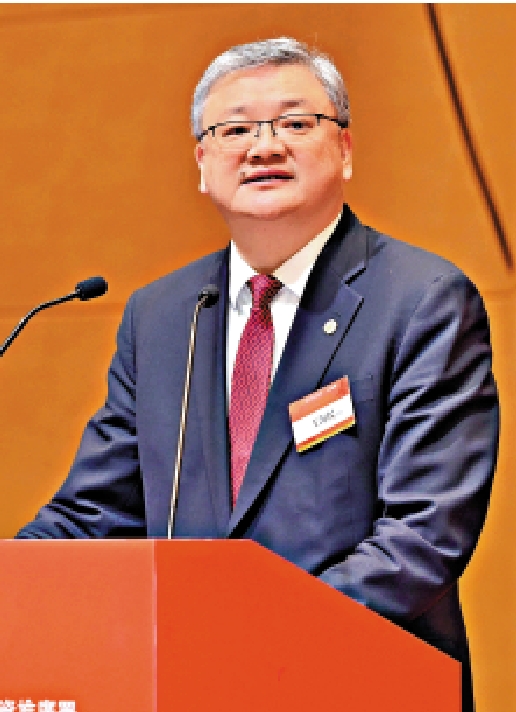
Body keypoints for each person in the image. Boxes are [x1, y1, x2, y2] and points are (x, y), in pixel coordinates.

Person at [17, 38, 498, 711]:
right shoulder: (162, 316)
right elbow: (92, 515)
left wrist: (256, 634)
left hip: (358, 684)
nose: (264, 147)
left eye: (295, 123)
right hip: (190, 688)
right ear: (202, 163)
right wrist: (13, 584)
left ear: (345, 149)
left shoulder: (422, 301)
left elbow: (422, 536)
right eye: (235, 130)